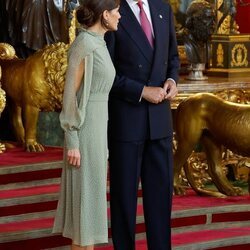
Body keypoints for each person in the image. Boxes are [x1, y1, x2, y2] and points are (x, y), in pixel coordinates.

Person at [105, 0, 180, 249]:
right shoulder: (112, 11)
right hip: (127, 123)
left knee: (160, 203)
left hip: (160, 123)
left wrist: (172, 79)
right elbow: (105, 73)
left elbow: (172, 56)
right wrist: (141, 91)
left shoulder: (162, 8)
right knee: (124, 203)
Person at [52, 1, 120, 250]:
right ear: (105, 15)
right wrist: (72, 141)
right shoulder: (83, 46)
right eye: (116, 11)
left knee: (89, 214)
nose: (120, 16)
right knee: (84, 216)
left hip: (98, 132)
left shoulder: (99, 43)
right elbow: (69, 95)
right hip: (84, 134)